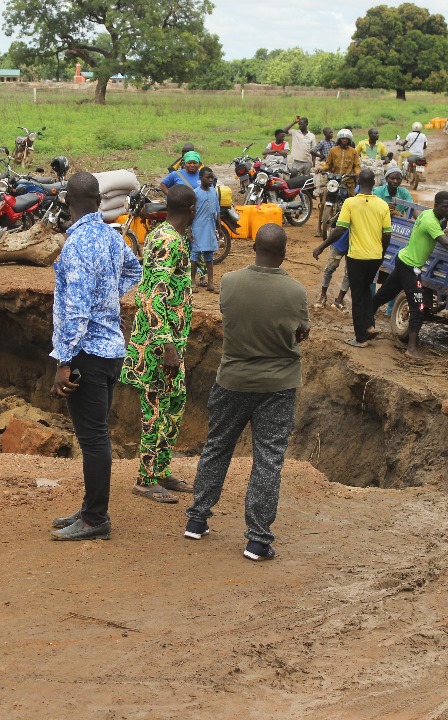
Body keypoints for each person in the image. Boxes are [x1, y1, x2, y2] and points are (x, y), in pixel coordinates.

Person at [183, 223, 309, 561]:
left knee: (217, 447)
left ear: (254, 248)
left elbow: (230, 320)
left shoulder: (229, 282)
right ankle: (257, 540)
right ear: (284, 253)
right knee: (268, 460)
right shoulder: (296, 292)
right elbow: (301, 333)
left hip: (232, 380)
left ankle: (197, 519)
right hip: (278, 386)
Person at [49, 172, 142, 541]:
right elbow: (135, 269)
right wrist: (109, 299)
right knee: (97, 434)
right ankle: (91, 508)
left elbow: (75, 311)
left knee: (93, 439)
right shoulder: (111, 235)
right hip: (111, 350)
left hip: (86, 352)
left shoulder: (75, 245)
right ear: (99, 200)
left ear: (67, 200)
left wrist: (63, 362)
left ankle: (95, 519)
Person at [121, 184, 197, 505]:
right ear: (192, 210)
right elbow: (153, 296)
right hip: (157, 347)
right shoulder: (167, 241)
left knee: (174, 406)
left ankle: (161, 471)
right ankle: (144, 480)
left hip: (170, 343)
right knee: (155, 411)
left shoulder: (169, 236)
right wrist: (166, 346)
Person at [371, 191, 448, 358]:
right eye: (446, 207)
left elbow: (440, 228)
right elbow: (447, 245)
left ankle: (364, 322)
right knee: (419, 308)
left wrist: (444, 221)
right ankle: (411, 348)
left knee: (385, 294)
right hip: (411, 267)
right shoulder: (430, 222)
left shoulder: (428, 213)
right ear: (436, 206)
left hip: (403, 259)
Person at [313, 168, 390, 348]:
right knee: (366, 290)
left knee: (357, 295)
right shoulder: (383, 205)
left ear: (358, 183)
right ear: (374, 184)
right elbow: (387, 234)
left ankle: (360, 338)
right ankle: (369, 326)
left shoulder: (350, 203)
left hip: (357, 257)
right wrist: (381, 254)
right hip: (375, 256)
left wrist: (321, 246)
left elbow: (340, 230)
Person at [190, 167, 219, 291]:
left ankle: (210, 282)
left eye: (212, 178)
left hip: (210, 228)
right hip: (198, 228)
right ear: (200, 178)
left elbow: (217, 211)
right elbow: (191, 212)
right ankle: (192, 280)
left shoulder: (214, 192)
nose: (210, 180)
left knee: (209, 256)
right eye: (208, 178)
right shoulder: (195, 193)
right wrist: (189, 230)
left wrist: (219, 227)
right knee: (195, 255)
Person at [311, 127, 341, 238]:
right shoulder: (322, 143)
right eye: (330, 132)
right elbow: (313, 151)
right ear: (325, 134)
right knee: (323, 202)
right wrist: (320, 157)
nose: (331, 134)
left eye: (332, 132)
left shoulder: (334, 143)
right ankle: (319, 227)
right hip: (324, 171)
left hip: (333, 173)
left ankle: (332, 225)